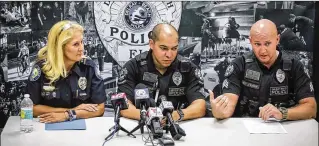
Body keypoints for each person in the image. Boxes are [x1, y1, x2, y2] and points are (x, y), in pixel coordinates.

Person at [209, 19, 316, 121]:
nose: (263, 50)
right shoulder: (239, 64)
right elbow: (229, 102)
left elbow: (311, 108)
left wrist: (282, 113)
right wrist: (221, 112)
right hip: (246, 128)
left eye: (267, 43)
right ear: (250, 41)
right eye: (257, 44)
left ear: (277, 39)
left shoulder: (294, 66)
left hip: (284, 128)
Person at [118, 23, 206, 122]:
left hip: (178, 125)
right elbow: (124, 106)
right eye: (163, 48)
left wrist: (176, 115)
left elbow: (200, 106)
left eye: (174, 48)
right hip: (141, 129)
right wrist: (151, 117)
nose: (169, 55)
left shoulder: (189, 68)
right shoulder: (133, 67)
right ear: (151, 44)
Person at [26, 20, 106, 123]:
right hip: (47, 127)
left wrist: (67, 115)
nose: (82, 48)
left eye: (82, 42)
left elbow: (100, 109)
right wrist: (70, 111)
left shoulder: (88, 67)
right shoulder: (42, 68)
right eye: (76, 44)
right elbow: (32, 108)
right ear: (60, 47)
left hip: (82, 129)